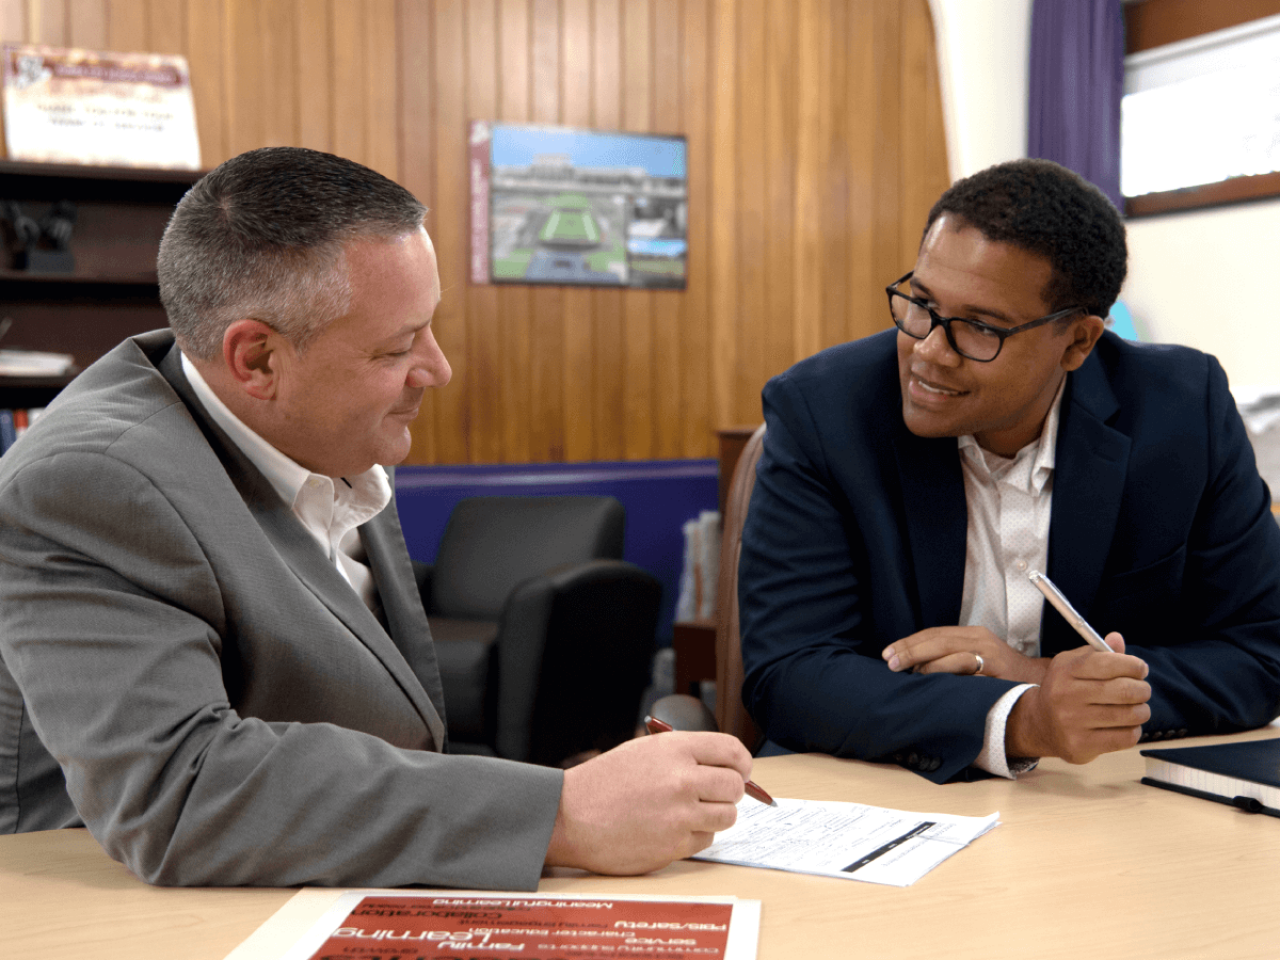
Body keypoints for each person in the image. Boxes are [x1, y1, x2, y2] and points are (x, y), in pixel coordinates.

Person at [0, 146, 751, 888]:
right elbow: (181, 791)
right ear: (256, 360)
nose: (439, 368)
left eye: (428, 327)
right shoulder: (88, 482)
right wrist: (559, 815)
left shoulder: (330, 429)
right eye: (398, 347)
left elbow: (374, 729)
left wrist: (561, 790)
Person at [738, 158, 1280, 785]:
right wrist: (1022, 719)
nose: (929, 352)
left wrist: (1038, 677)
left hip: (1102, 808)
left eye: (979, 329)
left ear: (1078, 342)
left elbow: (1261, 655)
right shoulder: (825, 412)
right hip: (880, 795)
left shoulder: (1181, 413)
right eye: (921, 304)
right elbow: (790, 672)